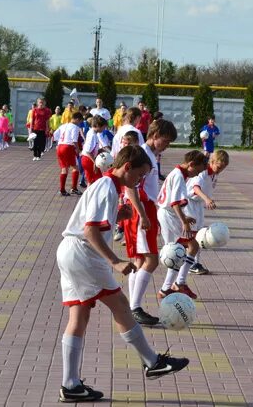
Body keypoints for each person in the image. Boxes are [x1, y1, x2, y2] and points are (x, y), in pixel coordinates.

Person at [56, 145, 189, 401]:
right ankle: (152, 362)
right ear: (127, 167)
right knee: (120, 304)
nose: (139, 182)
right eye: (139, 176)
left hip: (72, 252)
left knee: (79, 315)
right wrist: (115, 261)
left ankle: (70, 384)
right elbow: (90, 231)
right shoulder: (106, 187)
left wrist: (118, 215)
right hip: (83, 253)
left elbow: (91, 221)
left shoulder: (107, 186)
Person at [124, 119, 178, 325]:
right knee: (152, 261)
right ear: (154, 136)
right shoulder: (142, 154)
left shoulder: (152, 156)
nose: (167, 145)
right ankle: (135, 308)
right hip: (141, 211)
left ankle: (132, 307)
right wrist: (142, 214)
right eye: (165, 140)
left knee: (139, 261)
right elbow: (131, 186)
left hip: (145, 210)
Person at [157, 150, 209, 301]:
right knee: (181, 250)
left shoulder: (178, 173)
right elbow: (174, 203)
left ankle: (176, 284)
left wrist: (184, 217)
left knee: (190, 247)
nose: (196, 175)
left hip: (169, 214)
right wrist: (184, 221)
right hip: (169, 216)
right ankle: (169, 287)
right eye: (197, 171)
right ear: (191, 164)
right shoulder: (179, 176)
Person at [186, 150, 230, 276]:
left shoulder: (214, 174)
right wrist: (207, 199)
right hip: (190, 204)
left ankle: (195, 262)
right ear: (212, 162)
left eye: (223, 168)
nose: (220, 170)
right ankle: (190, 263)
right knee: (193, 235)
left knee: (200, 234)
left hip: (198, 205)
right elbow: (195, 188)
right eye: (218, 167)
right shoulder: (203, 173)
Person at [55, 112, 84, 197]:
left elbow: (55, 135)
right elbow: (74, 140)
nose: (80, 123)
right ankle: (73, 188)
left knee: (64, 168)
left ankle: (62, 189)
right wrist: (78, 149)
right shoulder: (75, 127)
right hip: (68, 147)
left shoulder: (63, 125)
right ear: (77, 119)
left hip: (60, 146)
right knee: (76, 167)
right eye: (80, 121)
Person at [80, 116, 105, 186]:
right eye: (103, 127)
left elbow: (91, 148)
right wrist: (95, 163)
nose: (104, 129)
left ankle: (88, 196)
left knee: (91, 181)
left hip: (86, 158)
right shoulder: (92, 135)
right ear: (97, 126)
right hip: (88, 160)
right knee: (98, 181)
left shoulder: (91, 132)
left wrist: (101, 150)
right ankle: (92, 196)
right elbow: (88, 151)